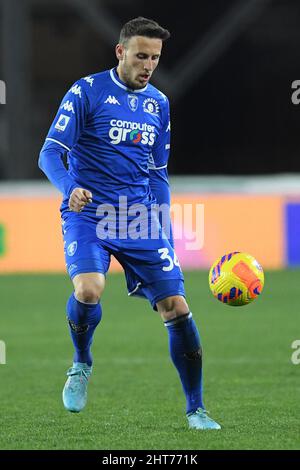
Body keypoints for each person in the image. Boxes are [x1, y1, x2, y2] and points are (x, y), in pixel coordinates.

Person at [38, 16, 220, 430]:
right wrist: (70, 187)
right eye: (141, 56)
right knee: (88, 287)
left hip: (140, 215)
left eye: (155, 58)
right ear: (120, 52)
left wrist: (166, 232)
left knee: (176, 308)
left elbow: (158, 173)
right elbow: (49, 153)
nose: (148, 65)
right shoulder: (86, 92)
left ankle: (197, 409)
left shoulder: (158, 103)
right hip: (90, 211)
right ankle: (82, 363)